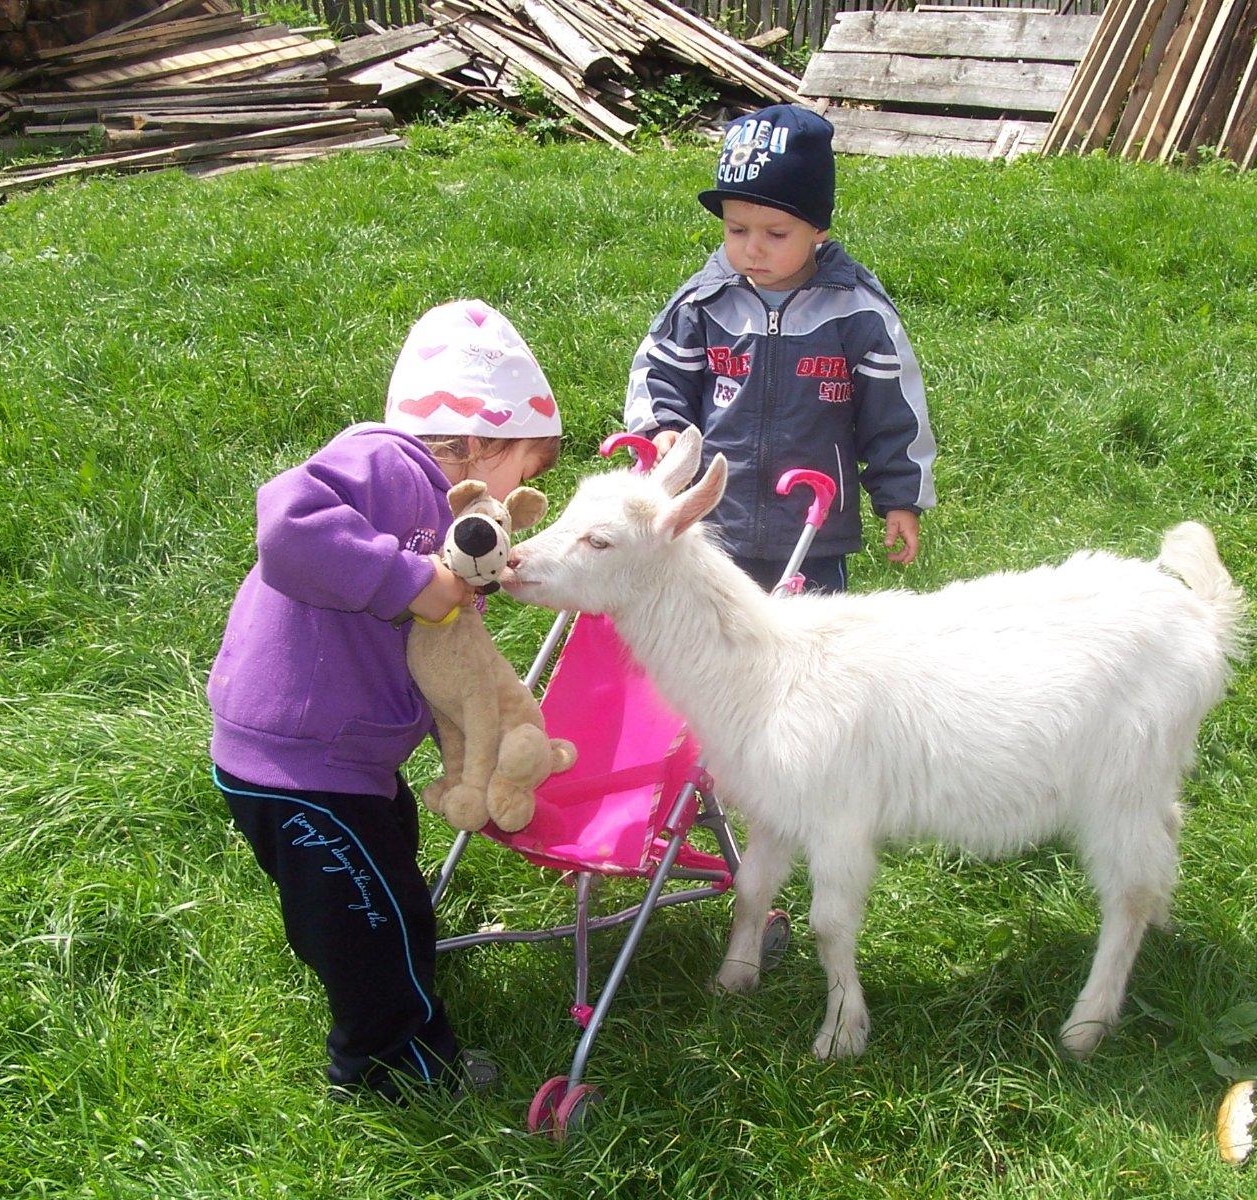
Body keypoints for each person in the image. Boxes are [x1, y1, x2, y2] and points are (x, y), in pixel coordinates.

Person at [207, 299, 562, 1102]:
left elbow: (441, 663)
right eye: (524, 472)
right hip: (299, 763)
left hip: (342, 754)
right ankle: (390, 1068)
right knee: (364, 913)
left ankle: (392, 963)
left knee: (386, 866)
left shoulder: (442, 517)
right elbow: (287, 526)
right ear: (480, 443)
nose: (517, 496)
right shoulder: (386, 463)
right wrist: (407, 579)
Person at [624, 103, 936, 594]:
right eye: (737, 230)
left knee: (812, 634)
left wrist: (900, 497)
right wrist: (663, 428)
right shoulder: (704, 303)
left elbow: (894, 411)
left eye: (776, 233)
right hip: (715, 516)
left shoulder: (857, 312)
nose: (753, 248)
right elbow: (660, 372)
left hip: (814, 522)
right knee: (713, 628)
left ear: (818, 229)